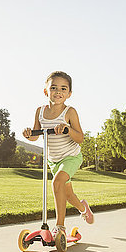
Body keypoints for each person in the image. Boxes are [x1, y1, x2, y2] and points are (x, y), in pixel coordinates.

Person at [22, 71, 94, 237]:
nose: (58, 91)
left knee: (56, 183)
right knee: (67, 194)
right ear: (46, 91)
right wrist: (28, 133)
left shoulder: (70, 112)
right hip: (53, 160)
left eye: (63, 88)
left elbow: (81, 138)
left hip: (71, 156)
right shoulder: (40, 111)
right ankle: (83, 208)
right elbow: (34, 135)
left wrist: (67, 128)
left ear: (69, 94)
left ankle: (60, 227)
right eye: (53, 87)